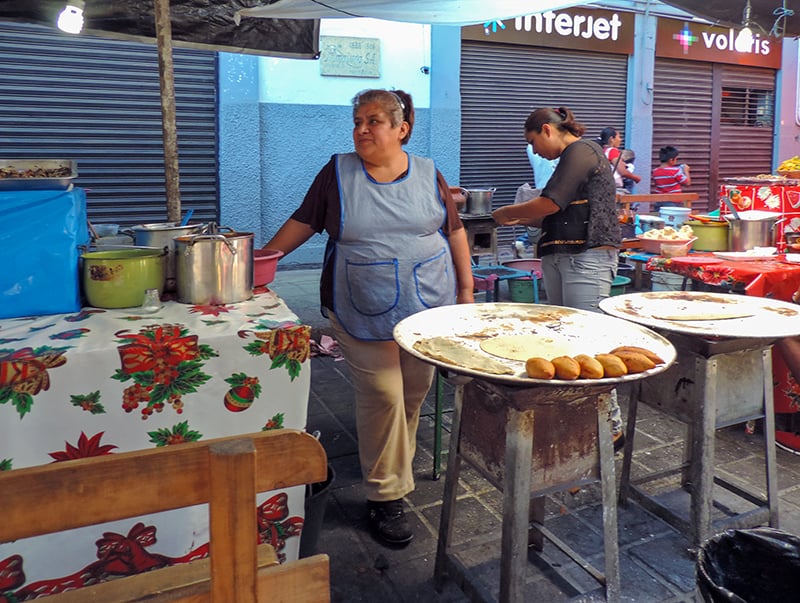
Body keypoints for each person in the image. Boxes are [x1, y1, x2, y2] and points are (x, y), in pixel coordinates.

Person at [262, 89, 474, 547]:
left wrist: (467, 292)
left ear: (402, 128)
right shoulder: (337, 173)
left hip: (427, 306)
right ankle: (386, 494)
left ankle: (390, 461)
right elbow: (304, 221)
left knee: (412, 393)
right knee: (383, 392)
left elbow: (453, 232)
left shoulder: (428, 173)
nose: (362, 129)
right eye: (357, 120)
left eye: (374, 120)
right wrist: (263, 260)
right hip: (360, 303)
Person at [492, 106, 624, 447]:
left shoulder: (582, 150)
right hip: (564, 257)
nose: (534, 151)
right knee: (567, 343)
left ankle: (610, 427)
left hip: (586, 257)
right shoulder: (568, 159)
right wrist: (520, 217)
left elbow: (551, 204)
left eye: (533, 141)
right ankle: (576, 419)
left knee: (588, 343)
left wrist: (505, 213)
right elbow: (554, 212)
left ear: (548, 130)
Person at [599, 126, 641, 193]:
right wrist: (636, 178)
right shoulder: (612, 151)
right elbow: (623, 172)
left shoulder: (601, 151)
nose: (620, 140)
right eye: (618, 137)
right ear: (612, 138)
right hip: (613, 187)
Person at [652, 145, 691, 210]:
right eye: (676, 159)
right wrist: (686, 171)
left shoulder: (655, 171)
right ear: (671, 160)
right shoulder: (675, 171)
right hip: (673, 203)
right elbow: (687, 183)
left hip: (659, 202)